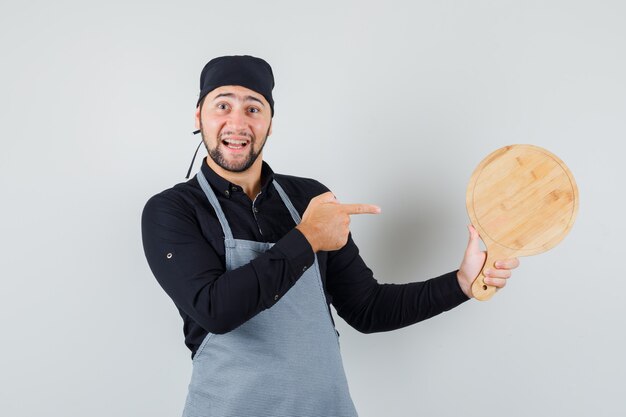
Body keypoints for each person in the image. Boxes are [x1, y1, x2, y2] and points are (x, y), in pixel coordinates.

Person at [141, 55, 519, 417]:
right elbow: (216, 310)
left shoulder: (309, 199)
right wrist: (306, 238)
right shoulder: (173, 210)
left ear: (270, 123)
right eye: (222, 106)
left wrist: (461, 284)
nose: (237, 122)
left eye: (253, 108)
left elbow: (367, 308)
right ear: (199, 116)